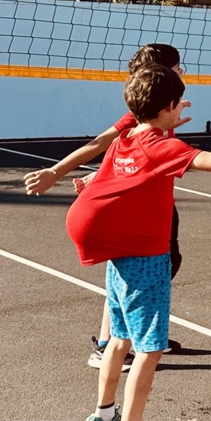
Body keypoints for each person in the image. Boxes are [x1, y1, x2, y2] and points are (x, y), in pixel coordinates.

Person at [67, 67, 211, 421]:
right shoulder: (164, 147)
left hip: (120, 259)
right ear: (167, 107)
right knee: (150, 348)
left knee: (119, 339)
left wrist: (165, 127)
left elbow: (113, 176)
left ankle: (105, 416)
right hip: (147, 259)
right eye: (177, 102)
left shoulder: (126, 140)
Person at [24, 43, 190, 367]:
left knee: (144, 269)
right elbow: (102, 144)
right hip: (139, 210)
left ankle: (131, 333)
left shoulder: (165, 110)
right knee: (140, 270)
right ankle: (110, 344)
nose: (183, 69)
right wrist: (55, 172)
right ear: (161, 73)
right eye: (178, 65)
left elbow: (129, 154)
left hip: (150, 201)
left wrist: (98, 178)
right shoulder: (138, 115)